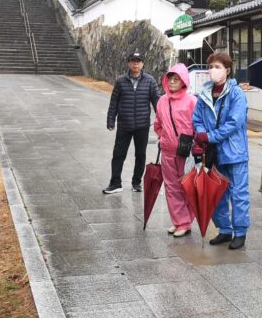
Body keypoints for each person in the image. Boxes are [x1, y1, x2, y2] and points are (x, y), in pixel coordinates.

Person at [192, 52, 250, 249]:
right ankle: (224, 229)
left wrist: (210, 137)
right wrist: (201, 134)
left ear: (227, 70)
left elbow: (235, 122)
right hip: (213, 152)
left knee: (238, 193)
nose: (213, 70)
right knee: (216, 192)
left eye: (217, 67)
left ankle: (240, 232)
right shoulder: (205, 92)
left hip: (234, 152)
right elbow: (197, 118)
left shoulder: (236, 94)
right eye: (211, 66)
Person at [103, 52, 160, 194]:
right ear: (128, 63)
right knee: (118, 154)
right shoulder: (121, 81)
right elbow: (114, 102)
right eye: (133, 61)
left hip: (142, 126)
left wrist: (164, 120)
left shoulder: (150, 81)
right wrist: (111, 120)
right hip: (124, 125)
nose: (136, 64)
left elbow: (157, 102)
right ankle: (115, 183)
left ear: (142, 64)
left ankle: (136, 182)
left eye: (138, 61)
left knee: (140, 155)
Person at [153, 64, 197, 238]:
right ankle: (181, 222)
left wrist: (195, 144)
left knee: (188, 186)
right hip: (167, 152)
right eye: (170, 77)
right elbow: (158, 124)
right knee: (172, 188)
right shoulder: (162, 101)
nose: (172, 81)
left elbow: (199, 125)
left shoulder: (192, 101)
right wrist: (164, 138)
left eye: (176, 78)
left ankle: (185, 221)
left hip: (187, 153)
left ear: (183, 81)